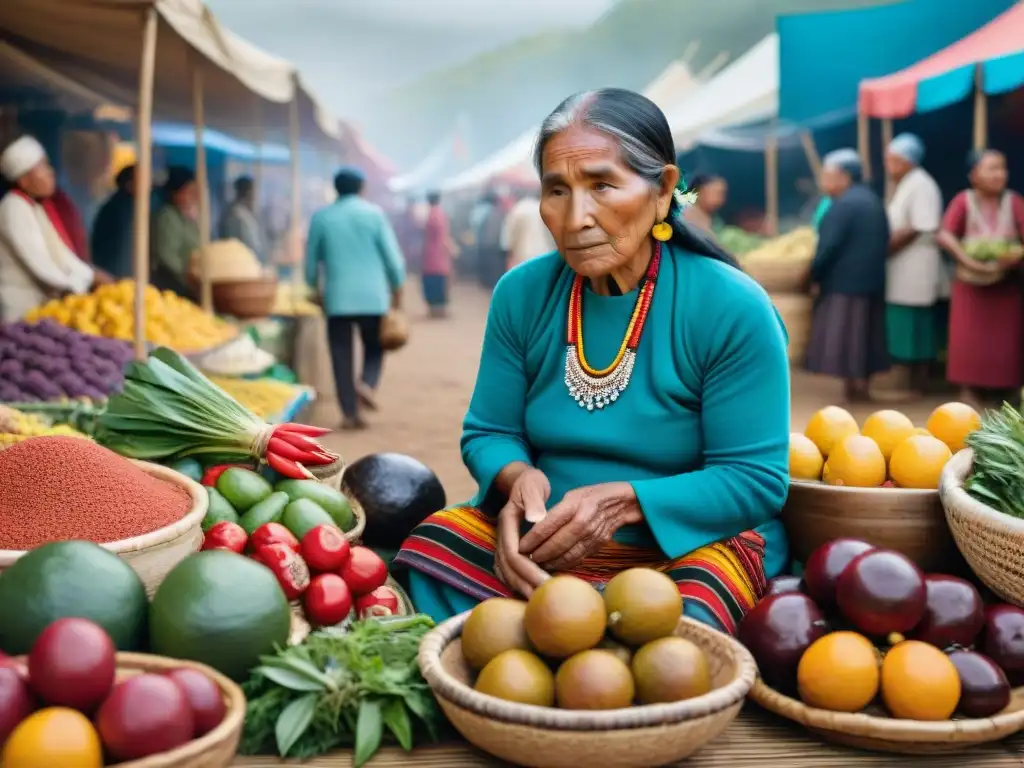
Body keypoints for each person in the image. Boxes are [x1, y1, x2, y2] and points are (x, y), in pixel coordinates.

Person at [395, 88, 790, 635]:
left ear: (663, 190)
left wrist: (624, 503)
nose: (577, 217)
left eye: (603, 185)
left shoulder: (732, 307)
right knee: (432, 545)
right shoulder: (522, 295)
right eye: (557, 190)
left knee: (679, 626)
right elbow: (488, 431)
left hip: (689, 545)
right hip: (545, 538)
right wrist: (516, 484)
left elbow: (754, 479)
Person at [306, 166, 406, 430]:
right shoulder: (374, 215)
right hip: (373, 297)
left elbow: (310, 262)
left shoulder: (322, 217)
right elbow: (393, 259)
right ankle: (367, 383)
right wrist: (397, 287)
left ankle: (350, 412)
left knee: (340, 353)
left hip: (337, 298)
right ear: (362, 188)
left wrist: (313, 287)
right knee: (375, 346)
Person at [937, 149, 1024, 409]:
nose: (999, 174)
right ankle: (969, 389)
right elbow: (945, 235)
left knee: (1007, 338)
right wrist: (969, 260)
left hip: (1006, 284)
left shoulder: (1014, 201)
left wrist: (1015, 255)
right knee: (968, 337)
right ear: (974, 175)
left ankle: (1007, 389)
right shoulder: (963, 201)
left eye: (1002, 168)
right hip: (970, 284)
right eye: (992, 168)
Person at [804, 149, 890, 403]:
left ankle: (853, 389)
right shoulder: (872, 200)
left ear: (844, 176)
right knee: (866, 336)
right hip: (872, 280)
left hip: (844, 282)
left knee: (849, 337)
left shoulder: (843, 205)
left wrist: (812, 275)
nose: (824, 182)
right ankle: (861, 387)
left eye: (827, 176)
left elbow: (827, 247)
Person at [0, 136, 105, 322]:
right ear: (24, 180)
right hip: (19, 311)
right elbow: (41, 264)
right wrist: (85, 283)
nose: (51, 173)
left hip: (40, 309)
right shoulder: (13, 208)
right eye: (43, 167)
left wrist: (92, 275)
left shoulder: (35, 207)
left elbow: (60, 253)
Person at [883, 134, 944, 398]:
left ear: (908, 161)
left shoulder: (921, 184)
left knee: (916, 325)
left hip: (916, 263)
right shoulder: (906, 183)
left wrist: (886, 248)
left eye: (895, 160)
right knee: (904, 323)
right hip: (903, 266)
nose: (890, 165)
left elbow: (920, 225)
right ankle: (907, 380)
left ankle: (918, 384)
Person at [152, 166, 200, 297]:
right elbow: (167, 256)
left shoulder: (187, 217)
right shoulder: (167, 217)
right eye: (189, 191)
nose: (194, 196)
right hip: (173, 287)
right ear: (176, 193)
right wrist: (189, 278)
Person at [90, 165, 137, 279]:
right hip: (115, 275)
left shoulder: (118, 204)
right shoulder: (123, 208)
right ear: (129, 184)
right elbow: (122, 249)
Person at [500, 186, 555, 272]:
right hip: (545, 256)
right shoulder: (545, 208)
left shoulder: (517, 210)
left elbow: (507, 241)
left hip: (522, 259)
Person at [421, 191, 457, 318]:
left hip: (430, 253)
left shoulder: (429, 214)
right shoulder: (440, 215)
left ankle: (434, 309)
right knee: (439, 280)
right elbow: (443, 236)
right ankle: (440, 310)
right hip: (439, 253)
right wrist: (451, 249)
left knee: (432, 280)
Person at [219, 176, 265, 262]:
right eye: (252, 191)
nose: (254, 195)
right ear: (247, 192)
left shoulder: (247, 213)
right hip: (240, 262)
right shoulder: (235, 215)